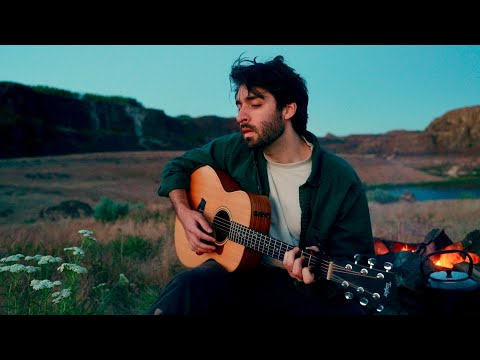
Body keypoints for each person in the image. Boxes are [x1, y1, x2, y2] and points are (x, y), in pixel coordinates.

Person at [147, 54, 376, 317]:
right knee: (187, 285)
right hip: (243, 277)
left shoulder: (340, 179)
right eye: (239, 106)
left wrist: (319, 263)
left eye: (254, 104)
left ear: (288, 110)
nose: (240, 116)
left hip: (306, 293)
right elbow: (176, 168)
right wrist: (186, 214)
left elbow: (355, 261)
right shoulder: (234, 148)